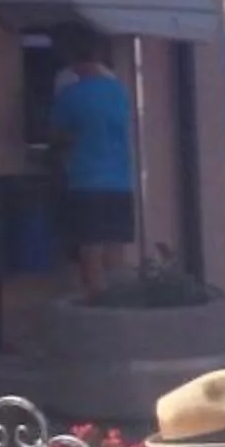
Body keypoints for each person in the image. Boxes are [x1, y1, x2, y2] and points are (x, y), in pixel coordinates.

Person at [50, 30, 135, 300]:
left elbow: (58, 135)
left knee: (90, 247)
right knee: (115, 246)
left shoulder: (71, 95)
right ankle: (121, 300)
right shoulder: (119, 91)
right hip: (120, 179)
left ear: (71, 59)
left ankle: (98, 300)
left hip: (86, 178)